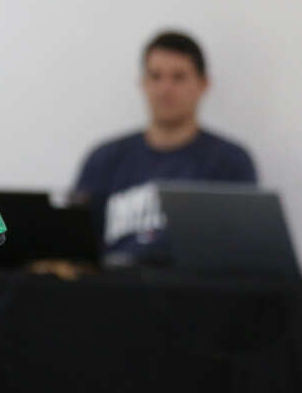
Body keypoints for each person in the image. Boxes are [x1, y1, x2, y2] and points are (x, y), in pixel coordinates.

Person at [73, 30, 256, 264]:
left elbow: (239, 254)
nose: (165, 89)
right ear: (142, 83)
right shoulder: (104, 158)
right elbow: (76, 247)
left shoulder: (230, 162)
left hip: (191, 285)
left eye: (178, 77)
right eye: (155, 76)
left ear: (203, 84)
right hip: (114, 283)